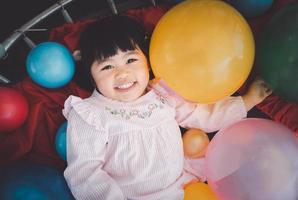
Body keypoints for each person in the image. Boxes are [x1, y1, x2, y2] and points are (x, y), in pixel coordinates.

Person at [62, 15, 271, 200]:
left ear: (148, 63)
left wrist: (248, 100)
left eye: (131, 60)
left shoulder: (161, 94)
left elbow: (201, 116)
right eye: (107, 66)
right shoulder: (89, 113)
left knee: (203, 143)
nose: (122, 74)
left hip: (180, 188)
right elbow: (85, 173)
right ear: (91, 74)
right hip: (129, 196)